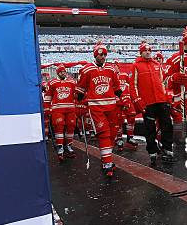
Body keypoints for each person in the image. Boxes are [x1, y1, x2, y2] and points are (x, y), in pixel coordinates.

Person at [76, 42, 122, 178]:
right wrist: (79, 102)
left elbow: (117, 87)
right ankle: (107, 163)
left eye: (105, 54)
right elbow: (80, 89)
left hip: (112, 106)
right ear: (95, 55)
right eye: (100, 54)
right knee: (104, 134)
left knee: (113, 133)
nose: (103, 57)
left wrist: (124, 98)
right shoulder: (86, 70)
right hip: (97, 108)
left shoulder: (111, 69)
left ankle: (106, 157)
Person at [130, 41, 175, 165]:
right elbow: (132, 86)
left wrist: (166, 97)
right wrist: (137, 100)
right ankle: (152, 151)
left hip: (161, 100)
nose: (148, 52)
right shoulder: (136, 66)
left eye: (150, 50)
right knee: (150, 128)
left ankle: (167, 147)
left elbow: (162, 83)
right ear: (141, 52)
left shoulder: (157, 64)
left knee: (167, 124)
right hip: (147, 103)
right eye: (145, 50)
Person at [46, 64, 77, 161]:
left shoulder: (72, 82)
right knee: (59, 127)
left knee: (71, 126)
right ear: (58, 73)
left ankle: (69, 145)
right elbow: (48, 97)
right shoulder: (52, 83)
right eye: (61, 72)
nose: (63, 73)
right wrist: (47, 109)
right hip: (57, 109)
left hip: (70, 109)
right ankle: (60, 147)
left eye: (64, 71)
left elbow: (76, 95)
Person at [116, 71, 138, 149]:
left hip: (127, 99)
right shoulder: (110, 74)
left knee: (132, 117)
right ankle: (119, 138)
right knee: (118, 120)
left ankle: (130, 138)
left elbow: (130, 85)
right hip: (117, 101)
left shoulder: (125, 76)